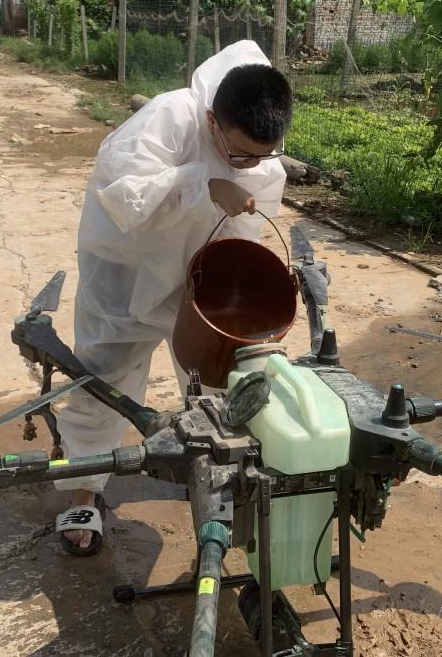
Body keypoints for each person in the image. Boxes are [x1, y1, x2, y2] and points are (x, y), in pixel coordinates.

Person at [53, 40, 293, 555]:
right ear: (211, 121)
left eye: (262, 155)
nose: (250, 164)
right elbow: (125, 198)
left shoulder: (261, 158)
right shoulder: (168, 118)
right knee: (104, 376)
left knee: (218, 377)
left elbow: (244, 230)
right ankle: (83, 490)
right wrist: (206, 182)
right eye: (239, 153)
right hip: (128, 266)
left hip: (194, 274)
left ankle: (215, 473)